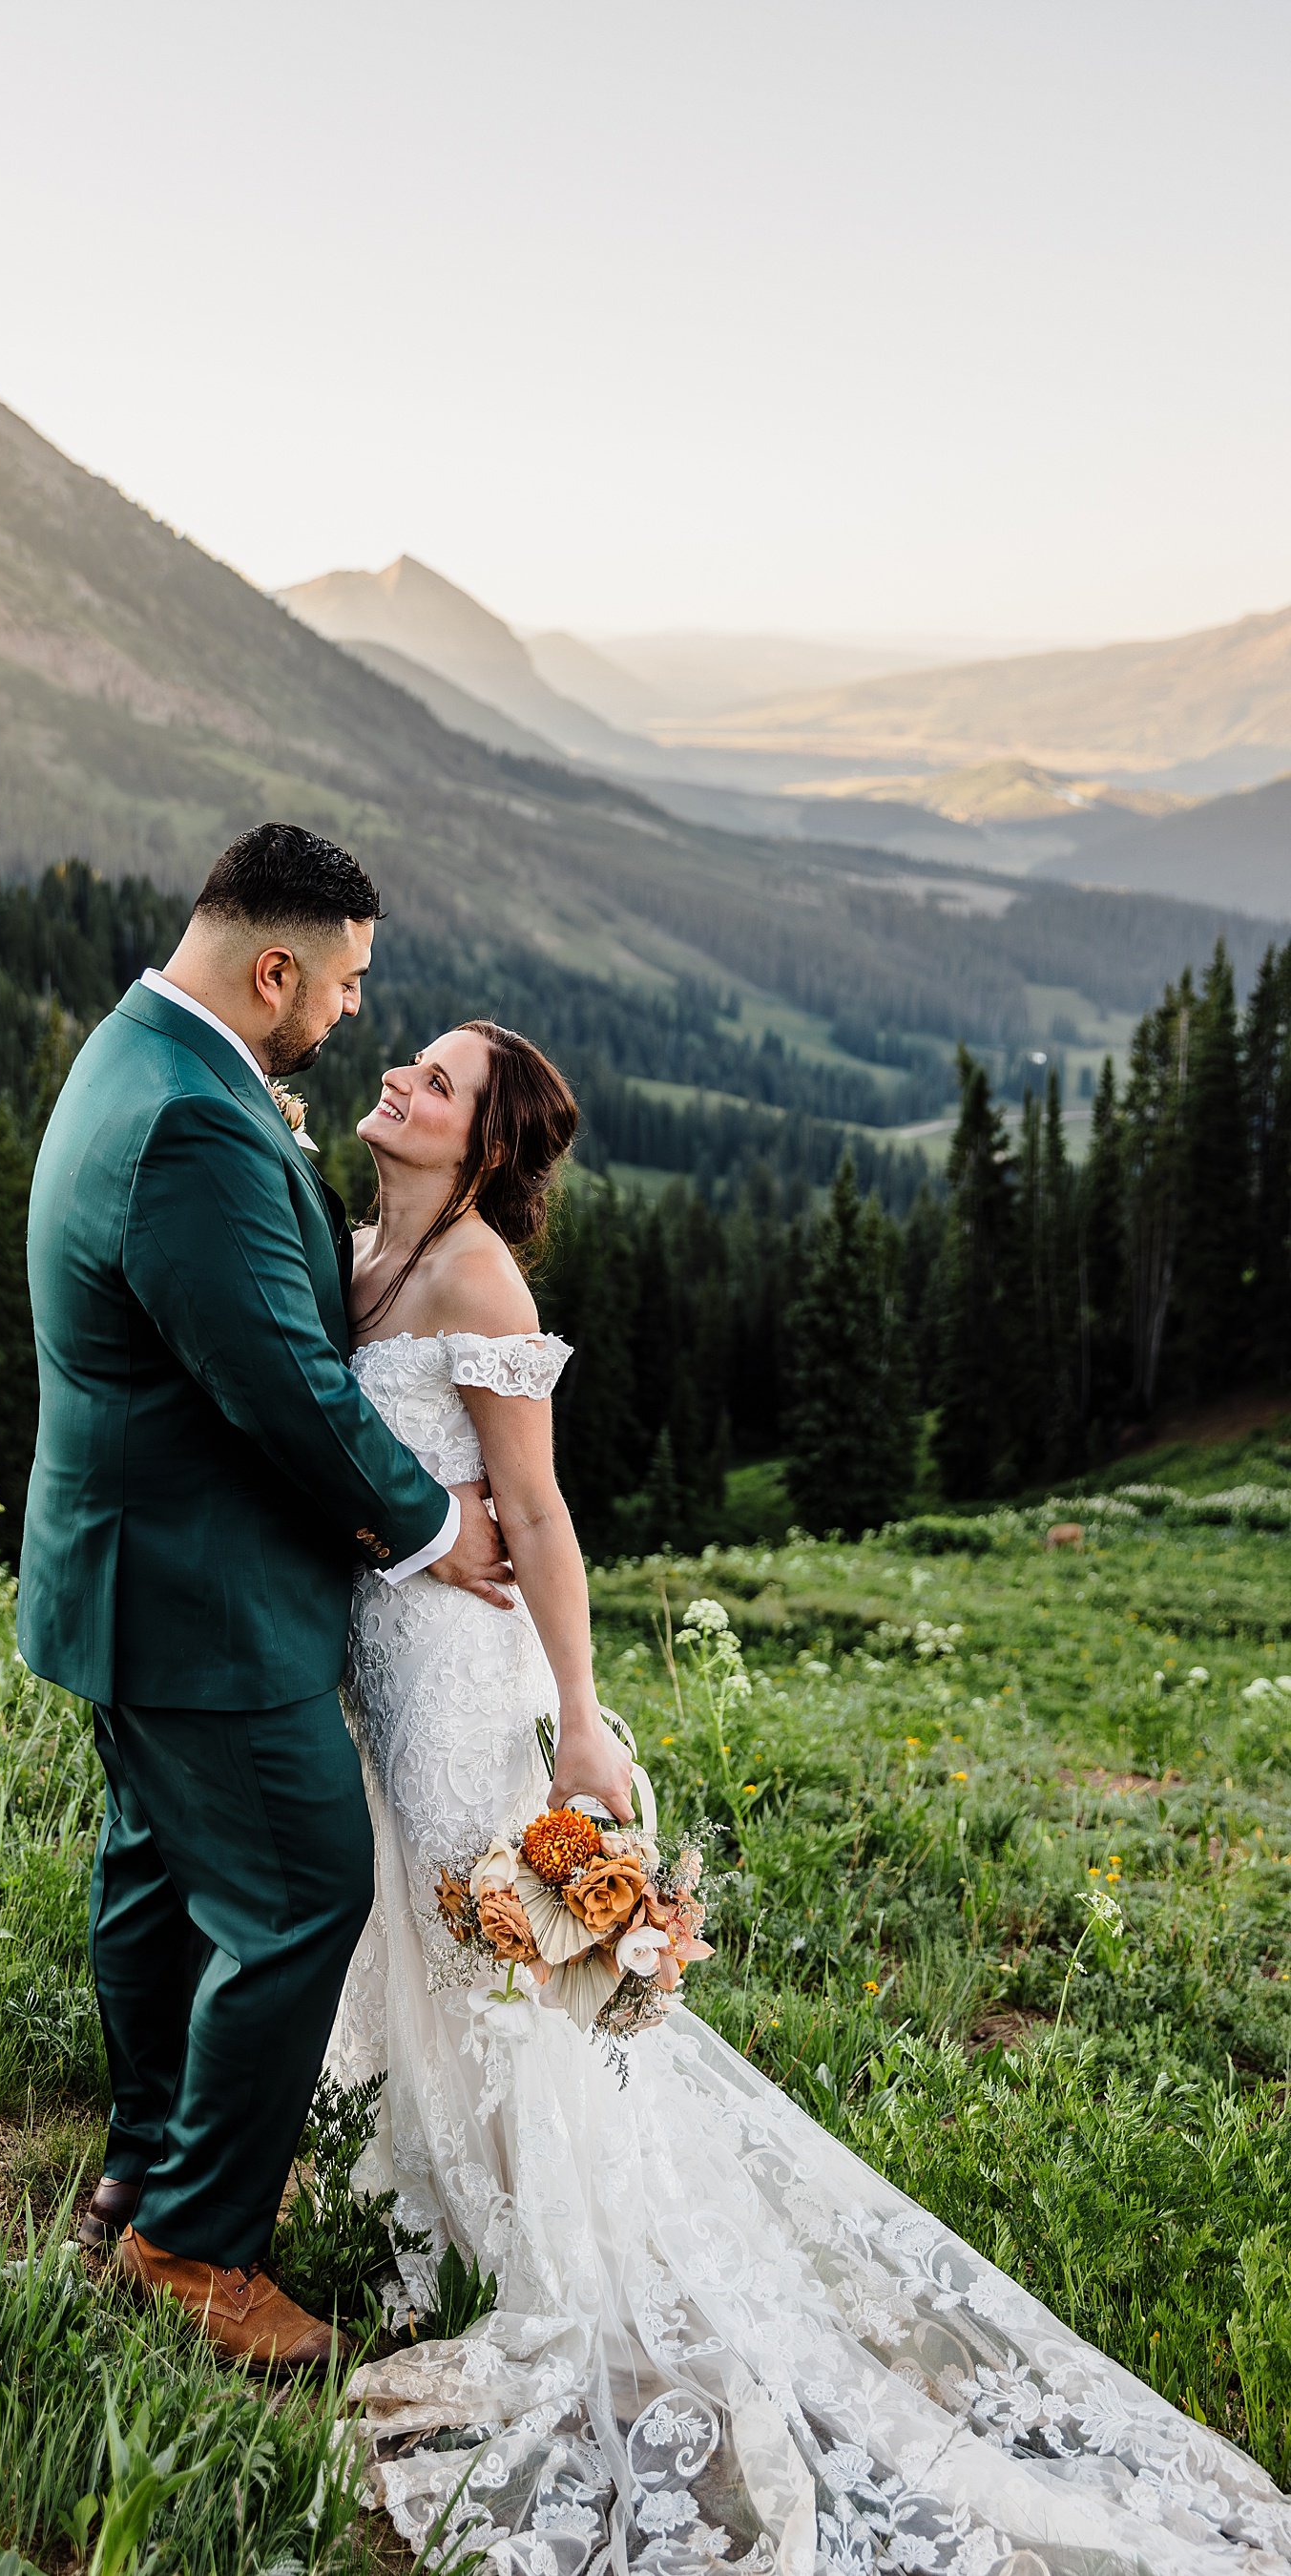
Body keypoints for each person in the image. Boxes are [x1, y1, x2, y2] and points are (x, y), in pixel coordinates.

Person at [328, 1020, 1291, 2575]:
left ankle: (537, 2249)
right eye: (411, 1064)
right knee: (413, 1928)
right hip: (380, 1649)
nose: (398, 1083)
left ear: (483, 1145)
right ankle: (416, 2208)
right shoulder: (366, 1243)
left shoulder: (475, 1279)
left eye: (434, 1082)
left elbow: (541, 1511)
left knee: (485, 1945)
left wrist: (582, 1722)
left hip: (459, 1670)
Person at [15, 824, 513, 2374]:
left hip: (132, 1571)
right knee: (300, 1891)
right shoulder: (192, 1123)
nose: (353, 1015)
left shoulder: (147, 1057)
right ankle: (195, 2247)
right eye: (345, 982)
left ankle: (143, 2167)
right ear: (273, 967)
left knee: (159, 1874)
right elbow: (286, 1391)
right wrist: (438, 1527)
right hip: (199, 1596)